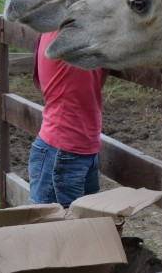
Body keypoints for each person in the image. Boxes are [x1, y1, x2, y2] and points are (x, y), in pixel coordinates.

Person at [28, 30, 107, 207]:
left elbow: (94, 84)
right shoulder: (66, 34)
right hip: (61, 152)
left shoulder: (76, 35)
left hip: (82, 149)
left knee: (82, 225)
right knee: (54, 228)